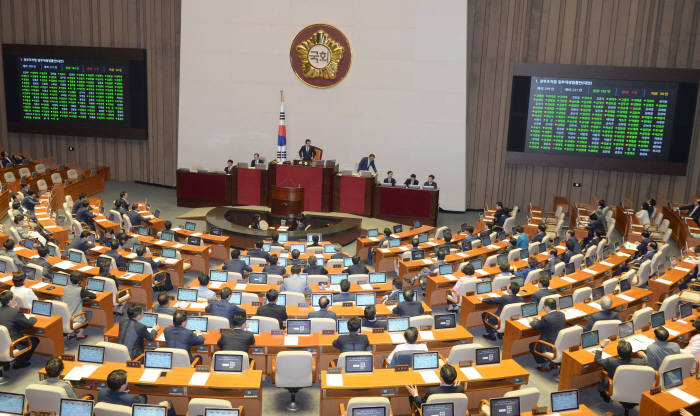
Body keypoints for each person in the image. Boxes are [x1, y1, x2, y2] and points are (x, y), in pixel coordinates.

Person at [98, 369, 176, 416]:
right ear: (123, 385)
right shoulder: (133, 399)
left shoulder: (101, 392)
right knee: (168, 403)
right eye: (127, 380)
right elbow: (143, 401)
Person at [0, 290, 38, 368]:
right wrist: (33, 317)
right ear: (10, 301)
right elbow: (29, 324)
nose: (16, 299)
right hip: (13, 343)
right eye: (14, 299)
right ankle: (20, 362)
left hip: (2, 342)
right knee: (34, 340)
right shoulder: (15, 312)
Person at [529, 297, 566, 371]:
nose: (544, 308)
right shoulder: (562, 314)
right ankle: (549, 362)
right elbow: (550, 322)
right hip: (560, 343)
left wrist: (531, 321)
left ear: (547, 307)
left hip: (549, 345)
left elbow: (535, 326)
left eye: (544, 307)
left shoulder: (546, 318)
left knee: (532, 346)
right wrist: (541, 320)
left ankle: (544, 365)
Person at [64, 271, 96, 339]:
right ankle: (80, 334)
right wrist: (82, 287)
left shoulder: (65, 288)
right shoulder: (80, 290)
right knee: (89, 313)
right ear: (80, 281)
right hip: (75, 318)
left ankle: (71, 333)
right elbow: (93, 296)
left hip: (66, 317)